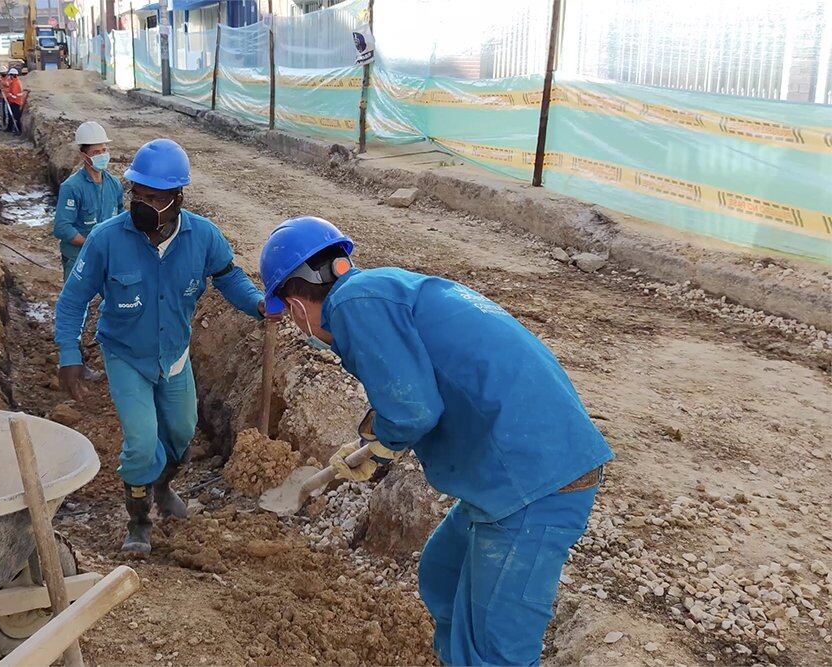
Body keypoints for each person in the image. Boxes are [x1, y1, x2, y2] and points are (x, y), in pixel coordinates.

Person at [258, 216, 614, 666]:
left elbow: (413, 410)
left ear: (293, 305)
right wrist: (372, 441)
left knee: (498, 648)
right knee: (442, 573)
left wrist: (384, 444)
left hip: (534, 480)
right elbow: (413, 386)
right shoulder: (383, 291)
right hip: (511, 464)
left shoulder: (353, 304)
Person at [55, 138, 267, 555]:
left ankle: (163, 486)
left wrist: (258, 305)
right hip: (125, 355)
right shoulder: (106, 239)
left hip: (174, 357)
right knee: (140, 440)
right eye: (138, 194)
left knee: (182, 431)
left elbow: (229, 277)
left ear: (177, 198)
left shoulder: (203, 236)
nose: (143, 203)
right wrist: (69, 354)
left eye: (155, 197)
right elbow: (72, 300)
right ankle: (138, 520)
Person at [52, 121, 124, 382]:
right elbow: (62, 227)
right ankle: (75, 361)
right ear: (84, 156)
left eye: (104, 150)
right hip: (78, 258)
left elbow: (121, 215)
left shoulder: (114, 184)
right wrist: (93, 243)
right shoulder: (73, 187)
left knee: (119, 302)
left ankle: (119, 357)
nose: (102, 156)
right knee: (77, 307)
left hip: (110, 258)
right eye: (96, 152)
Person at [0, 67, 24, 135]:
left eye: (11, 75)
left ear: (14, 75)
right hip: (12, 101)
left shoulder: (16, 83)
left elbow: (14, 95)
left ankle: (19, 130)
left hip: (16, 102)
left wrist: (7, 94)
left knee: (16, 116)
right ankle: (9, 128)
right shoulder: (13, 82)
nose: (10, 77)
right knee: (10, 115)